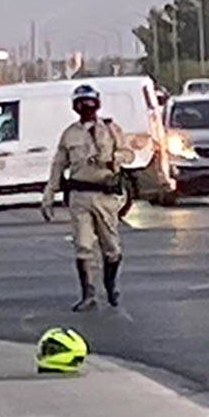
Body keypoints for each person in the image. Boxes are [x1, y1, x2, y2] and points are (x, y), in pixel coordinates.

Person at [42, 84, 134, 312]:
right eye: (81, 103)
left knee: (111, 247)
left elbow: (129, 154)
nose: (86, 107)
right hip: (79, 195)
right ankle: (88, 294)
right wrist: (49, 193)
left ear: (97, 104)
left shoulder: (111, 130)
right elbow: (58, 165)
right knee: (82, 245)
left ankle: (110, 284)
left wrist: (113, 158)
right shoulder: (70, 134)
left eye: (90, 102)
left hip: (104, 195)